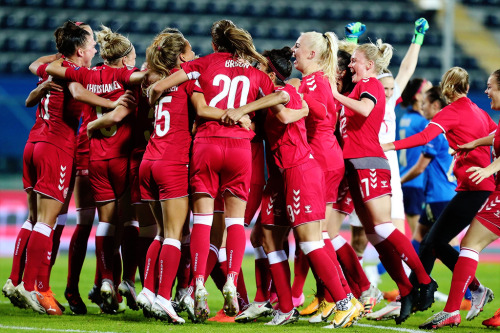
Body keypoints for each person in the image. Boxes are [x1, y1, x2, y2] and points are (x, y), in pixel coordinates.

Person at [223, 43, 361, 328]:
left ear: (269, 72)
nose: (253, 73)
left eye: (259, 69)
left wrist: (243, 110)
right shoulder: (270, 97)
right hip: (280, 177)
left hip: (301, 171)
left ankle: (345, 301)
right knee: (264, 239)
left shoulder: (288, 92)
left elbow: (287, 109)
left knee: (311, 241)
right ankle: (283, 306)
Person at [149, 19, 275, 322]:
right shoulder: (256, 72)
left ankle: (199, 285)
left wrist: (153, 92)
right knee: (234, 223)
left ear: (214, 43)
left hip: (206, 145)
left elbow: (159, 86)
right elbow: (281, 96)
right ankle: (232, 281)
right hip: (241, 150)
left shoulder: (202, 65)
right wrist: (244, 113)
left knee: (203, 222)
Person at [331, 38, 436, 325]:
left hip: (370, 163)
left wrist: (334, 95)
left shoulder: (372, 84)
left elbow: (365, 110)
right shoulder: (356, 87)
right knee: (375, 237)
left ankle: (424, 282)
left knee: (383, 226)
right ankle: (405, 291)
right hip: (354, 166)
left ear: (369, 65)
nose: (350, 64)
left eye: (355, 61)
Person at [382, 66, 496, 323]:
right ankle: (473, 290)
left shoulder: (450, 112)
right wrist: (476, 147)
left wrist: (387, 145)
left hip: (475, 188)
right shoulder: (478, 111)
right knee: (435, 243)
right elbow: (494, 134)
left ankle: (453, 296)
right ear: (467, 88)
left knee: (435, 243)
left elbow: (424, 136)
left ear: (446, 88)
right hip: (474, 187)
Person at [46, 25, 146, 313]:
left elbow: (70, 84)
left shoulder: (89, 74)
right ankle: (109, 282)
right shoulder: (125, 76)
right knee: (118, 221)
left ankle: (95, 285)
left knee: (93, 222)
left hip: (89, 152)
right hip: (112, 154)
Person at [9, 21, 97, 315]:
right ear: (79, 50)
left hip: (33, 143)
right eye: (92, 45)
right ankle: (36, 288)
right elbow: (81, 93)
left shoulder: (50, 70)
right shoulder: (72, 74)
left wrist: (58, 55)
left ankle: (15, 281)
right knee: (47, 222)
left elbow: (33, 79)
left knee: (33, 219)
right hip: (55, 147)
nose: (95, 49)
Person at [419, 69, 500, 329]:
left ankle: (453, 309)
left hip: (487, 190)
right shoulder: (490, 117)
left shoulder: (459, 112)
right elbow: (496, 137)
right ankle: (459, 305)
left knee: (467, 243)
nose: (486, 91)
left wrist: (488, 168)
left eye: (491, 87)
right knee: (463, 243)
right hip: (486, 191)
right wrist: (474, 144)